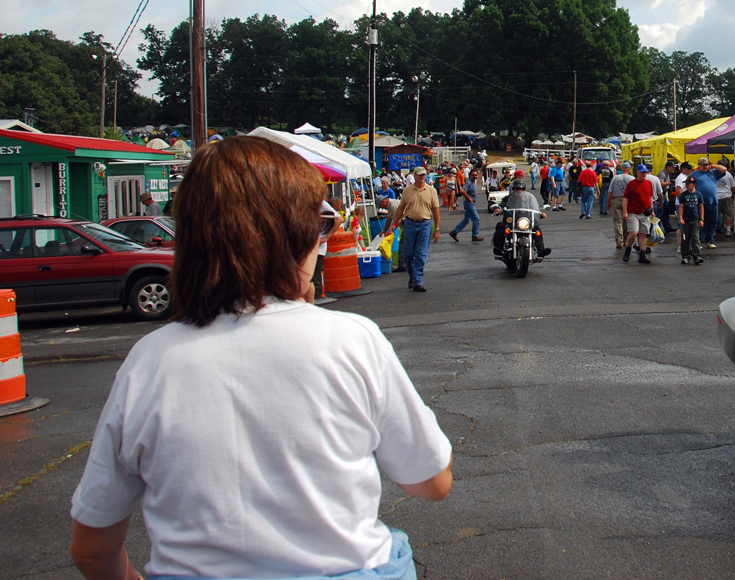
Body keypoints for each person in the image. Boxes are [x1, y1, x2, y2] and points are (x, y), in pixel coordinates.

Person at [69, 137, 452, 580]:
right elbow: (432, 481)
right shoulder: (350, 341)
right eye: (321, 224)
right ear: (294, 236)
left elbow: (92, 549)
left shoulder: (150, 361)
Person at [389, 165, 441, 293]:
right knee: (408, 254)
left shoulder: (431, 190)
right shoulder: (407, 191)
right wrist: (395, 223)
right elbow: (401, 208)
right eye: (420, 175)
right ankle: (413, 276)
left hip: (425, 224)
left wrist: (437, 229)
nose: (423, 177)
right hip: (410, 223)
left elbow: (436, 210)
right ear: (415, 176)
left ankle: (418, 281)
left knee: (421, 254)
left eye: (424, 175)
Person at [491, 179, 552, 258]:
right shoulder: (508, 198)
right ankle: (499, 249)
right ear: (513, 190)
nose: (518, 191)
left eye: (520, 189)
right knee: (500, 225)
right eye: (516, 189)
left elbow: (533, 208)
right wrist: (498, 209)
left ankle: (540, 250)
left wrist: (540, 213)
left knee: (536, 229)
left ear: (523, 189)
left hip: (524, 222)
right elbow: (502, 205)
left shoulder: (528, 199)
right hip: (511, 222)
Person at [691, 157, 729, 248]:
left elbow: (724, 169)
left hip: (712, 201)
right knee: (700, 222)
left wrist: (712, 166)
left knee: (712, 222)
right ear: (699, 165)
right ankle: (698, 241)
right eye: (703, 165)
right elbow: (689, 185)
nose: (705, 167)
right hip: (700, 203)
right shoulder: (694, 174)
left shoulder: (713, 173)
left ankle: (709, 240)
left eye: (706, 165)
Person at [622, 164, 654, 264]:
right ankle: (628, 249)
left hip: (645, 212)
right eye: (642, 172)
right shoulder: (631, 184)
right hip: (633, 212)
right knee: (633, 233)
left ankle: (642, 255)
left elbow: (650, 197)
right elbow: (625, 198)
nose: (644, 174)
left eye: (645, 172)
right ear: (637, 172)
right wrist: (625, 212)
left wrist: (652, 210)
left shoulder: (649, 183)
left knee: (643, 234)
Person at [449, 167, 484, 242]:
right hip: (469, 203)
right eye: (473, 175)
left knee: (466, 220)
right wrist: (469, 198)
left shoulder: (473, 183)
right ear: (470, 175)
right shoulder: (469, 183)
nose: (474, 177)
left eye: (475, 175)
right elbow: (462, 191)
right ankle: (475, 235)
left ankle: (454, 232)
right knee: (476, 219)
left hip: (471, 203)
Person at [677, 178, 705, 265]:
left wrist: (701, 219)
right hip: (686, 220)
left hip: (695, 219)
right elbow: (681, 207)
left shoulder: (698, 194)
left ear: (694, 184)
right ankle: (685, 256)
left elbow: (701, 207)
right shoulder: (683, 195)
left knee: (695, 237)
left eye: (688, 184)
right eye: (686, 184)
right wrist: (680, 218)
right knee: (685, 239)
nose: (686, 185)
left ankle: (696, 256)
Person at [606, 161, 634, 249]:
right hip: (629, 201)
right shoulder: (632, 179)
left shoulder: (615, 178)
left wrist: (608, 201)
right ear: (629, 169)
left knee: (618, 221)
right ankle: (626, 240)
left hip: (617, 199)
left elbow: (610, 191)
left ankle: (619, 240)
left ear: (622, 169)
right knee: (627, 221)